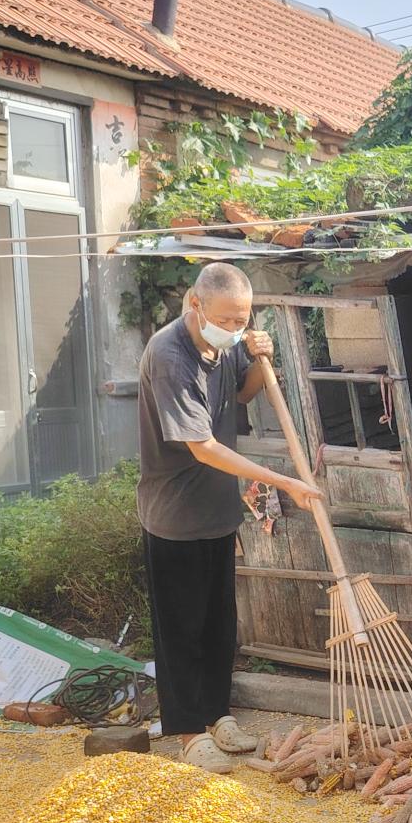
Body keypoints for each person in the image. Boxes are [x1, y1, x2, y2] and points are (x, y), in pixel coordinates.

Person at [137, 262, 321, 773]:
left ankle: (218, 715)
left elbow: (241, 393)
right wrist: (283, 480)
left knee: (219, 625)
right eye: (226, 320)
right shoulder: (169, 355)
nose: (235, 328)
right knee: (181, 628)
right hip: (174, 515)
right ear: (196, 305)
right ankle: (188, 732)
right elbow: (203, 447)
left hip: (217, 510)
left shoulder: (226, 344)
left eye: (243, 320)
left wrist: (262, 360)